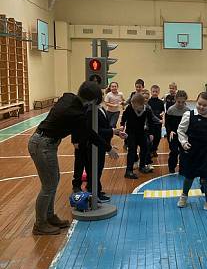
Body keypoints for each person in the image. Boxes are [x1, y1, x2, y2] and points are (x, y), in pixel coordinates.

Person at [28, 81, 119, 235]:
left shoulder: (68, 97)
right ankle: (40, 224)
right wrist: (109, 148)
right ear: (91, 100)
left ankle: (49, 216)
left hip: (44, 143)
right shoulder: (76, 114)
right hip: (43, 145)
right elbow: (90, 134)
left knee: (53, 181)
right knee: (48, 185)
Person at [177, 92, 207, 212]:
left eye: (205, 105)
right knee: (189, 175)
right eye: (199, 104)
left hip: (206, 151)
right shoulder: (189, 115)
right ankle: (184, 196)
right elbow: (180, 131)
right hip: (191, 151)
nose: (201, 107)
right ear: (196, 102)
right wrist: (184, 142)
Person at [85, 95, 126, 202]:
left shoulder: (100, 108)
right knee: (94, 169)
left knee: (98, 168)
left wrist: (117, 133)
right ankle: (94, 193)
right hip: (95, 144)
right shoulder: (91, 111)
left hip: (102, 144)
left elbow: (105, 126)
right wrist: (113, 131)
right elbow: (95, 131)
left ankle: (96, 190)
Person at [121, 93, 156, 179]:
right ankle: (128, 171)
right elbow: (124, 117)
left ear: (142, 104)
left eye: (135, 105)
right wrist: (122, 125)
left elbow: (151, 122)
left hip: (141, 132)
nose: (133, 107)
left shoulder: (147, 109)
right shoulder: (129, 108)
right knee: (132, 150)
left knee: (145, 148)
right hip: (130, 133)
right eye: (132, 104)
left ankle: (142, 166)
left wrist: (151, 133)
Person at [165, 90, 189, 173]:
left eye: (183, 102)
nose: (181, 104)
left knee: (184, 152)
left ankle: (183, 168)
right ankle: (171, 167)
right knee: (174, 151)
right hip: (173, 134)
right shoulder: (171, 110)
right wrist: (169, 131)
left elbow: (189, 124)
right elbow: (167, 123)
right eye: (179, 102)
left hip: (183, 134)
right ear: (175, 99)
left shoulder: (187, 110)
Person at [148, 85, 165, 157]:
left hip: (158, 122)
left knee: (158, 137)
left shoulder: (161, 102)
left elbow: (163, 111)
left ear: (159, 92)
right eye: (153, 91)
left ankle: (154, 149)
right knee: (150, 137)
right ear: (151, 92)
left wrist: (162, 114)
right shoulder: (148, 101)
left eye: (156, 92)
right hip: (150, 123)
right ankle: (150, 150)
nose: (155, 93)